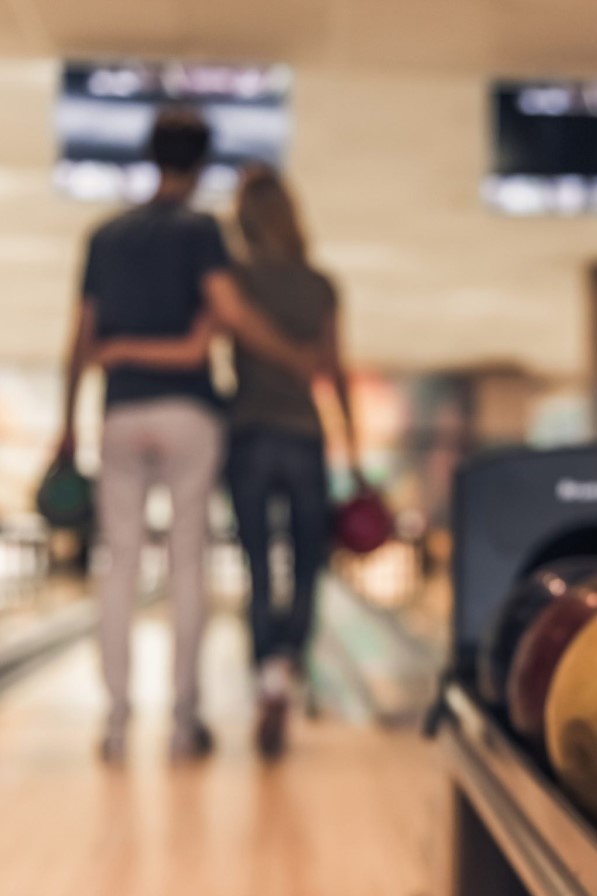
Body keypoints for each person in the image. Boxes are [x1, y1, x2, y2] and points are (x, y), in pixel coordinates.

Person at [59, 109, 319, 763]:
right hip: (189, 414)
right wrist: (291, 356)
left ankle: (116, 722)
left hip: (121, 413)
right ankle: (183, 722)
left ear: (150, 157)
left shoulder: (104, 235)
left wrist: (65, 422)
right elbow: (229, 314)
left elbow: (81, 339)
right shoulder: (202, 231)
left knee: (118, 565)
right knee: (185, 564)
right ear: (202, 166)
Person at [227, 165, 360, 758]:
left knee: (259, 565)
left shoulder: (236, 278)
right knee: (307, 563)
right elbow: (334, 368)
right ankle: (288, 659)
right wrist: (352, 452)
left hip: (249, 435)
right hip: (305, 436)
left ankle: (268, 679)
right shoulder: (321, 285)